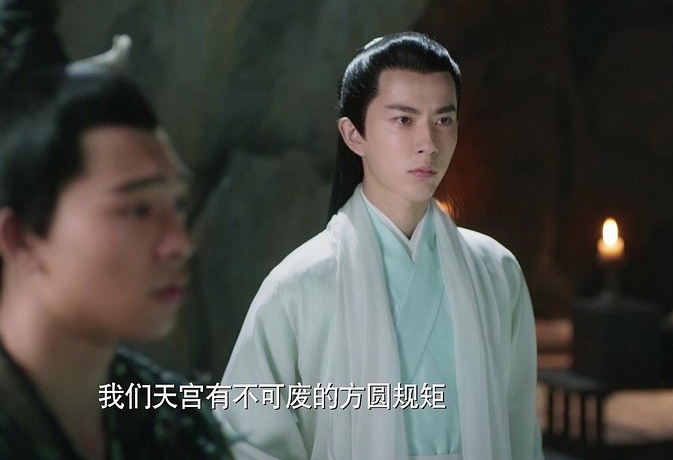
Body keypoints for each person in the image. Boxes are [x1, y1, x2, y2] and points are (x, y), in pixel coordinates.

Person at [0, 72, 232, 459]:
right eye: (138, 210)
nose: (179, 243)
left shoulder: (174, 425)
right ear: (20, 238)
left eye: (178, 205)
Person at [217, 32, 543, 459]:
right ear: (354, 134)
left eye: (443, 120)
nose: (428, 143)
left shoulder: (496, 270)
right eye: (404, 120)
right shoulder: (298, 284)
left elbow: (518, 427)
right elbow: (248, 438)